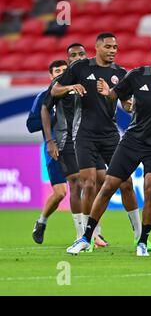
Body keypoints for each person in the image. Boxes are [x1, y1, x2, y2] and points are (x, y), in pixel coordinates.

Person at [66, 40, 151, 256]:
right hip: (132, 141)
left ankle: (142, 241)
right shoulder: (136, 75)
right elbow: (116, 96)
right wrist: (108, 92)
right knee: (108, 186)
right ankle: (86, 237)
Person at [51, 33, 141, 249]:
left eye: (115, 47)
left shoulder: (120, 73)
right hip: (84, 134)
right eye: (108, 46)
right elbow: (55, 90)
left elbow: (128, 104)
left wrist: (129, 105)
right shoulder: (81, 67)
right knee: (89, 184)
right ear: (98, 47)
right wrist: (71, 87)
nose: (112, 50)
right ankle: (84, 237)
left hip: (110, 135)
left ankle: (140, 236)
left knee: (126, 183)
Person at [30, 60, 69, 244]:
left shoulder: (77, 93)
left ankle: (94, 233)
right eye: (57, 71)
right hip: (55, 148)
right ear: (51, 76)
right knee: (60, 193)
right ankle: (41, 221)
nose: (61, 73)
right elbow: (31, 125)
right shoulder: (44, 97)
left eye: (64, 70)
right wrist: (52, 116)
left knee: (90, 186)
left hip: (79, 146)